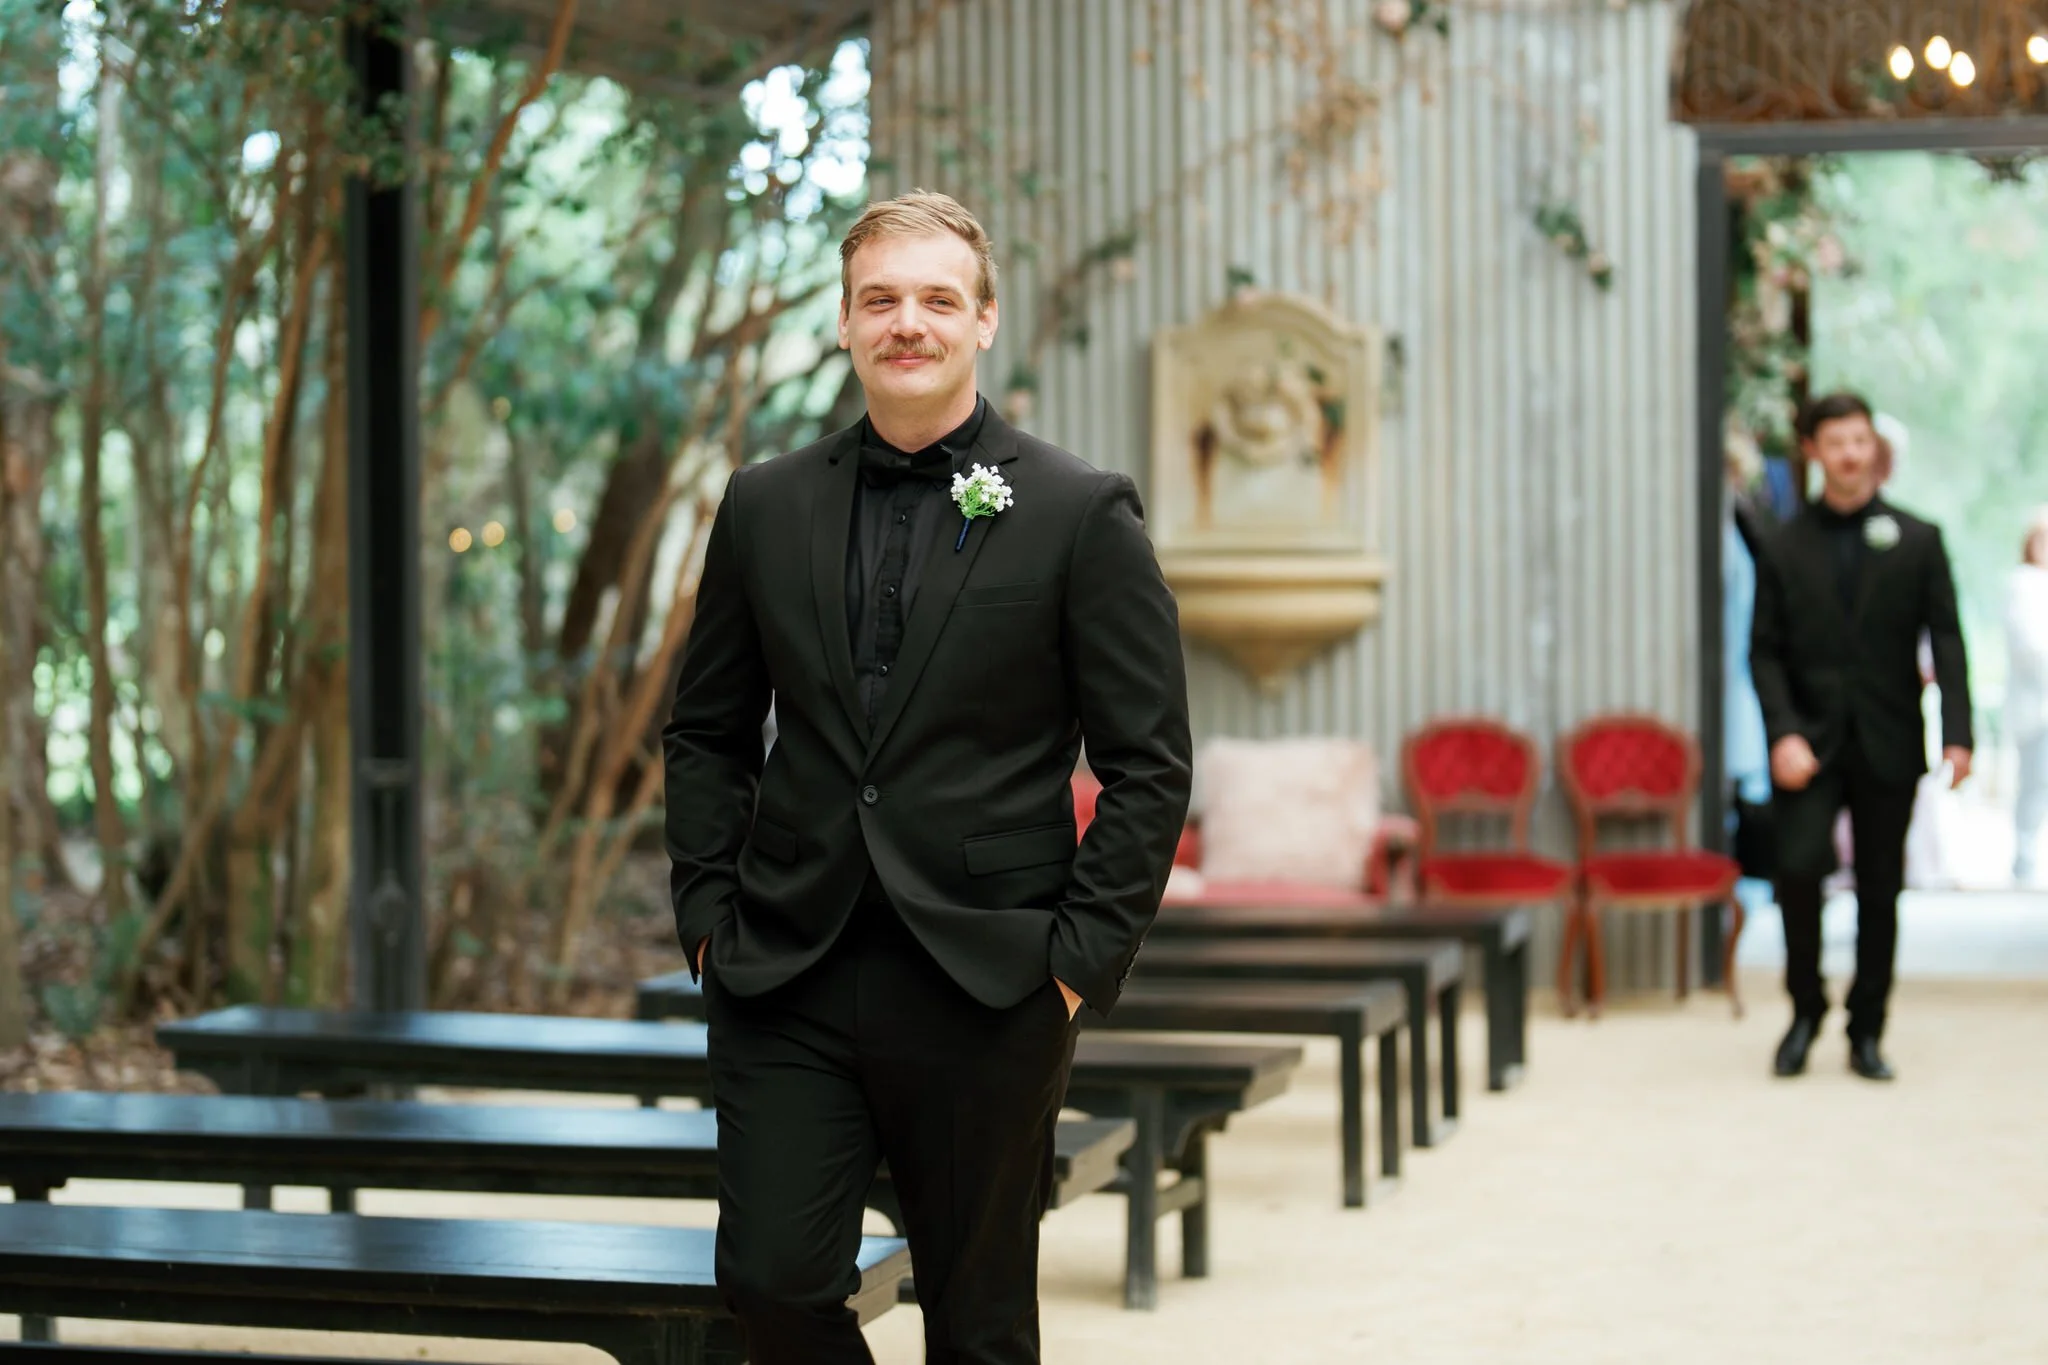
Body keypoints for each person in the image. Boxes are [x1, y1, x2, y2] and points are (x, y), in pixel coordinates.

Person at [662, 190, 1193, 1364]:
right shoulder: (762, 506)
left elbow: (1148, 762)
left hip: (989, 979)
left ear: (983, 320)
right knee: (770, 1281)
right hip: (785, 966)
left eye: (936, 299)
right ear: (845, 324)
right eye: (880, 300)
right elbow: (705, 729)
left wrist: (1073, 962)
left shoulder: (1076, 511)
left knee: (979, 1319)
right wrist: (706, 917)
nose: (909, 322)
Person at [1751, 392, 1973, 1083]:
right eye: (1837, 441)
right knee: (1796, 871)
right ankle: (1805, 1008)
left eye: (1861, 440)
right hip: (1808, 743)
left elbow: (1948, 640)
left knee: (1881, 888)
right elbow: (1764, 651)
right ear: (1814, 451)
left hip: (1888, 738)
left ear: (1873, 449)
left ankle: (1867, 1027)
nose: (1851, 453)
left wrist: (1959, 736)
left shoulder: (1918, 537)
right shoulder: (1783, 544)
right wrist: (1782, 731)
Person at [2005, 509, 2048, 886]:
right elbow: (2031, 646)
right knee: (2036, 783)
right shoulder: (2024, 584)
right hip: (2036, 708)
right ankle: (2025, 861)